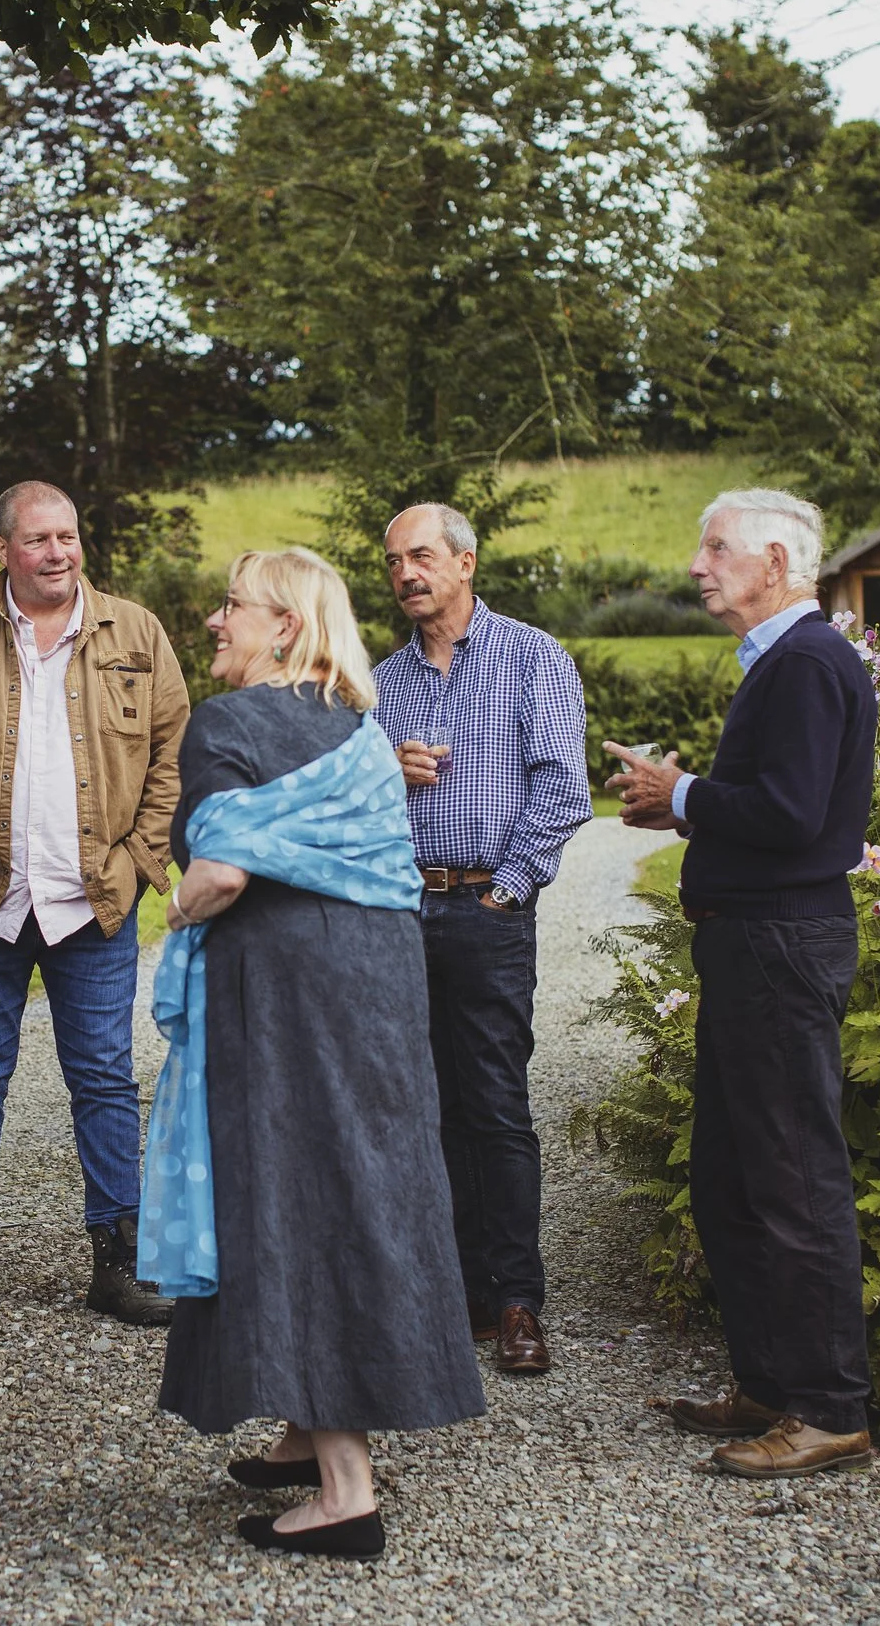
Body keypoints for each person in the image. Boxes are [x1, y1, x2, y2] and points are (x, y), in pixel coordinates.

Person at [153, 547, 485, 1560]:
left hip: (287, 1002)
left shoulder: (228, 723)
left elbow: (217, 871)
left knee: (298, 1200)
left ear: (285, 624)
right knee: (367, 1184)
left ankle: (346, 1488)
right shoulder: (358, 732)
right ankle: (306, 1427)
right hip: (378, 991)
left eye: (231, 605)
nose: (214, 621)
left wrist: (174, 905)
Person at [604, 486, 878, 1480]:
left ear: (774, 559)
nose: (695, 565)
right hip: (753, 944)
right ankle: (769, 1380)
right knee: (731, 1175)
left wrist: (679, 793)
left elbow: (796, 813)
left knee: (794, 1177)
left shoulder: (805, 661)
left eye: (714, 547)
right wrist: (685, 809)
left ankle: (829, 1406)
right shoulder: (786, 662)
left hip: (778, 947)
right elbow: (769, 808)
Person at [0, 481, 189, 1328]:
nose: (60, 552)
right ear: (3, 549)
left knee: (102, 1077)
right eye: (41, 539)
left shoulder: (138, 633)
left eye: (70, 536)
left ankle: (121, 1257)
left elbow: (171, 757)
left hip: (94, 900)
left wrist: (137, 860)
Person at [371, 502, 591, 1375]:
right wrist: (387, 773)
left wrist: (507, 889)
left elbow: (563, 789)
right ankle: (452, 1289)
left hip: (486, 912)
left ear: (466, 562)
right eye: (393, 562)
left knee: (495, 1104)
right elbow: (349, 802)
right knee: (422, 1105)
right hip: (399, 911)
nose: (405, 574)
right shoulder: (381, 683)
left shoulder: (532, 656)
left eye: (420, 556)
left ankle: (517, 1298)